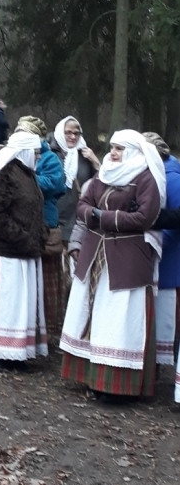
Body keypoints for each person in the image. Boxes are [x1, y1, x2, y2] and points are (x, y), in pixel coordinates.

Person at [60, 130, 164, 400]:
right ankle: (93, 378)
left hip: (127, 259)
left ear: (133, 152)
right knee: (96, 316)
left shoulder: (145, 178)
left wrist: (101, 216)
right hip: (96, 255)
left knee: (120, 319)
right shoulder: (104, 173)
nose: (113, 153)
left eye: (119, 148)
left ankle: (119, 387)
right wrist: (93, 215)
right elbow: (83, 204)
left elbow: (144, 217)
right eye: (113, 147)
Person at [0, 130, 48, 371]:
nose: (37, 157)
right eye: (35, 153)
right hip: (7, 253)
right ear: (24, 152)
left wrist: (39, 234)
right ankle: (3, 354)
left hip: (25, 252)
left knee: (22, 305)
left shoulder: (27, 175)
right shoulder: (5, 175)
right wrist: (21, 237)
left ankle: (18, 353)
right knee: (9, 305)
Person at [14, 116, 66, 342]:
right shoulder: (9, 152)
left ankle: (45, 328)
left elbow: (56, 184)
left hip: (44, 221)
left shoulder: (49, 158)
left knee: (44, 280)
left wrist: (23, 178)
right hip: (18, 222)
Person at [143, 133, 180, 368]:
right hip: (151, 256)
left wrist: (158, 241)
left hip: (168, 258)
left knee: (165, 315)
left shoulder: (173, 179)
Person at [48, 116, 101, 271]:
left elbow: (101, 183)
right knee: (56, 266)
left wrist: (95, 162)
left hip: (78, 218)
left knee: (77, 267)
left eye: (76, 133)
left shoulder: (85, 155)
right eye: (68, 133)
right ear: (60, 133)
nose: (72, 137)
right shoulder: (50, 154)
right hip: (56, 217)